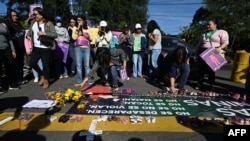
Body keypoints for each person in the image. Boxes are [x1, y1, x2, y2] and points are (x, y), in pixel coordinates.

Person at [26, 7, 58, 89]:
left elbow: (54, 34)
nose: (34, 16)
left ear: (41, 14)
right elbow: (29, 30)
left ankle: (46, 80)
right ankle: (41, 75)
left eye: (36, 14)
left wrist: (44, 33)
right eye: (33, 14)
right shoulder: (33, 22)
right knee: (32, 63)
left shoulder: (48, 23)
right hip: (36, 47)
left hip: (45, 48)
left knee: (45, 65)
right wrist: (29, 35)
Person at [195, 19, 229, 90]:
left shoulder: (221, 32)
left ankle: (211, 85)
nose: (207, 26)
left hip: (213, 52)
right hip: (203, 51)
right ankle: (199, 83)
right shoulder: (204, 34)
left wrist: (220, 48)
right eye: (207, 24)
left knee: (211, 69)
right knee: (201, 69)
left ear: (215, 25)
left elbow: (226, 42)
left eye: (209, 24)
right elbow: (199, 45)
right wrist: (196, 54)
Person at [5, 9, 28, 85]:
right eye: (13, 15)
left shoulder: (19, 25)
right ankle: (16, 80)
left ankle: (21, 78)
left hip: (21, 48)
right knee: (15, 65)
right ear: (9, 16)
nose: (15, 17)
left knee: (21, 64)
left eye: (16, 15)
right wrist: (12, 50)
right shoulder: (8, 25)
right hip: (14, 49)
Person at [0, 18, 20, 94]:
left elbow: (9, 38)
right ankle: (1, 86)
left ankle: (11, 84)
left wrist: (13, 50)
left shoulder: (3, 25)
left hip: (7, 49)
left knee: (9, 66)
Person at [72, 14, 92, 84]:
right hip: (78, 48)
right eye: (78, 20)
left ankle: (88, 80)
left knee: (87, 65)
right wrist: (78, 29)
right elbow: (74, 38)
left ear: (83, 21)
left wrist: (87, 35)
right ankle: (79, 80)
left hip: (86, 48)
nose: (79, 21)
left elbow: (91, 39)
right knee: (79, 65)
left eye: (80, 20)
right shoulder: (74, 28)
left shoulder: (88, 28)